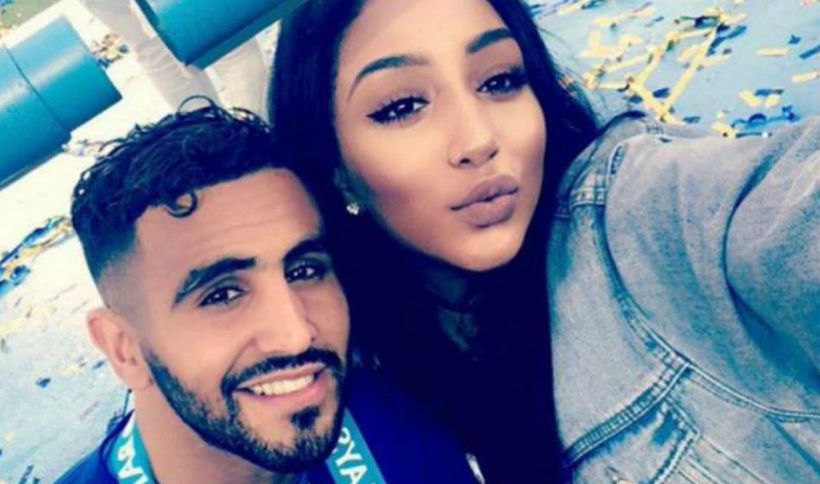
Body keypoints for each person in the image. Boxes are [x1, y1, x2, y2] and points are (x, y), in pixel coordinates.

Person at [269, 0, 820, 482]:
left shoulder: (637, 216)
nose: (478, 139)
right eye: (402, 106)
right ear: (337, 171)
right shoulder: (336, 352)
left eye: (499, 81)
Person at [59, 99, 479, 484]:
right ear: (124, 349)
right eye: (222, 295)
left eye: (304, 270)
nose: (295, 336)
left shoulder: (397, 426)